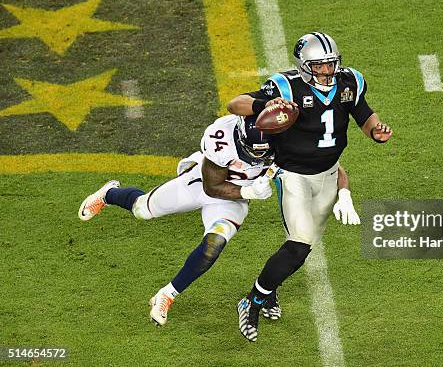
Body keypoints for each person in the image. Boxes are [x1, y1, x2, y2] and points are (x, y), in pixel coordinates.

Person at [77, 113, 359, 326]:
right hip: (202, 183)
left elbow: (330, 168)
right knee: (142, 209)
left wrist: (344, 193)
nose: (257, 157)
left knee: (214, 244)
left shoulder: (287, 145)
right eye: (251, 151)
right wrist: (248, 188)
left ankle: (167, 294)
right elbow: (213, 187)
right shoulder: (222, 138)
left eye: (263, 153)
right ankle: (109, 193)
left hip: (233, 203)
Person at [227, 32, 392, 341]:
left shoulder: (349, 83)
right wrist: (266, 102)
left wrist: (375, 131)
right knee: (299, 245)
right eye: (319, 66)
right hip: (294, 176)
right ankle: (251, 301)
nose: (327, 71)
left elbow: (364, 114)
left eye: (331, 64)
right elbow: (235, 103)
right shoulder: (286, 86)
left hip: (329, 174)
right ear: (304, 66)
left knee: (301, 249)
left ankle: (268, 291)